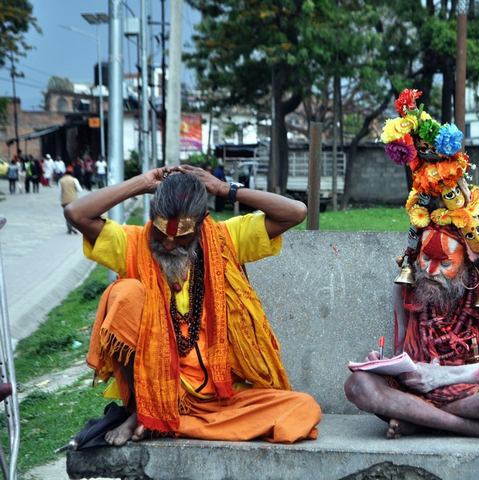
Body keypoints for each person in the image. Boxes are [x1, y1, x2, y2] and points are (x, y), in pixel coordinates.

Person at [345, 88, 479, 441]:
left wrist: (442, 376)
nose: (429, 269)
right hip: (420, 395)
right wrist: (384, 364)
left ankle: (420, 422)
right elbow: (401, 355)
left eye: (443, 261)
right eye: (425, 258)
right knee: (359, 385)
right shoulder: (409, 283)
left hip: (477, 391)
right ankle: (471, 428)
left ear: (469, 256)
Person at [64, 164, 321, 446]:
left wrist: (224, 189)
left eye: (183, 237)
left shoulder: (226, 239)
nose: (170, 245)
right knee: (125, 292)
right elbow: (76, 213)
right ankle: (146, 411)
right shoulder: (132, 243)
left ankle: (165, 423)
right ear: (153, 217)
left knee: (303, 406)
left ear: (201, 224)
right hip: (159, 390)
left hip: (221, 397)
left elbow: (295, 212)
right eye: (161, 235)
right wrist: (142, 182)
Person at [60, 167, 83, 234]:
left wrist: (61, 200)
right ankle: (74, 227)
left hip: (65, 200)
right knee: (74, 215)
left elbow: (60, 191)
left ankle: (69, 228)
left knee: (67, 215)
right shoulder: (74, 180)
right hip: (73, 200)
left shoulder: (61, 180)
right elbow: (80, 190)